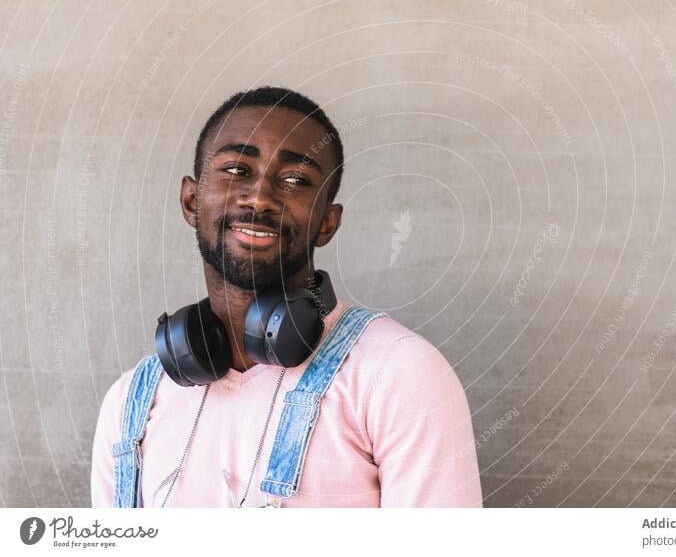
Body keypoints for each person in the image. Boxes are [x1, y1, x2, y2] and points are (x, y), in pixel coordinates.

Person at [90, 86, 482, 508]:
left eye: (295, 180)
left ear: (327, 223)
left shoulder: (397, 373)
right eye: (236, 170)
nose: (259, 197)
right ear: (191, 201)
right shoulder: (130, 404)